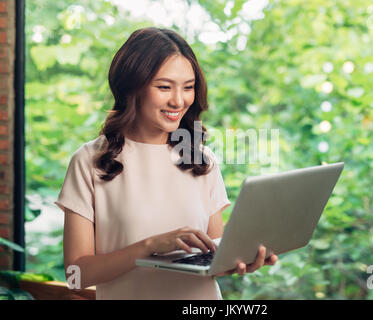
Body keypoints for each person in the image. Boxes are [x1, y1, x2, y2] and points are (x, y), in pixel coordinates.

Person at [54, 27, 278, 300]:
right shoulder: (90, 161)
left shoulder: (202, 160)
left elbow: (212, 260)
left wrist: (242, 259)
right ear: (131, 87)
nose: (179, 100)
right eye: (164, 87)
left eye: (188, 87)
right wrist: (149, 246)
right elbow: (76, 276)